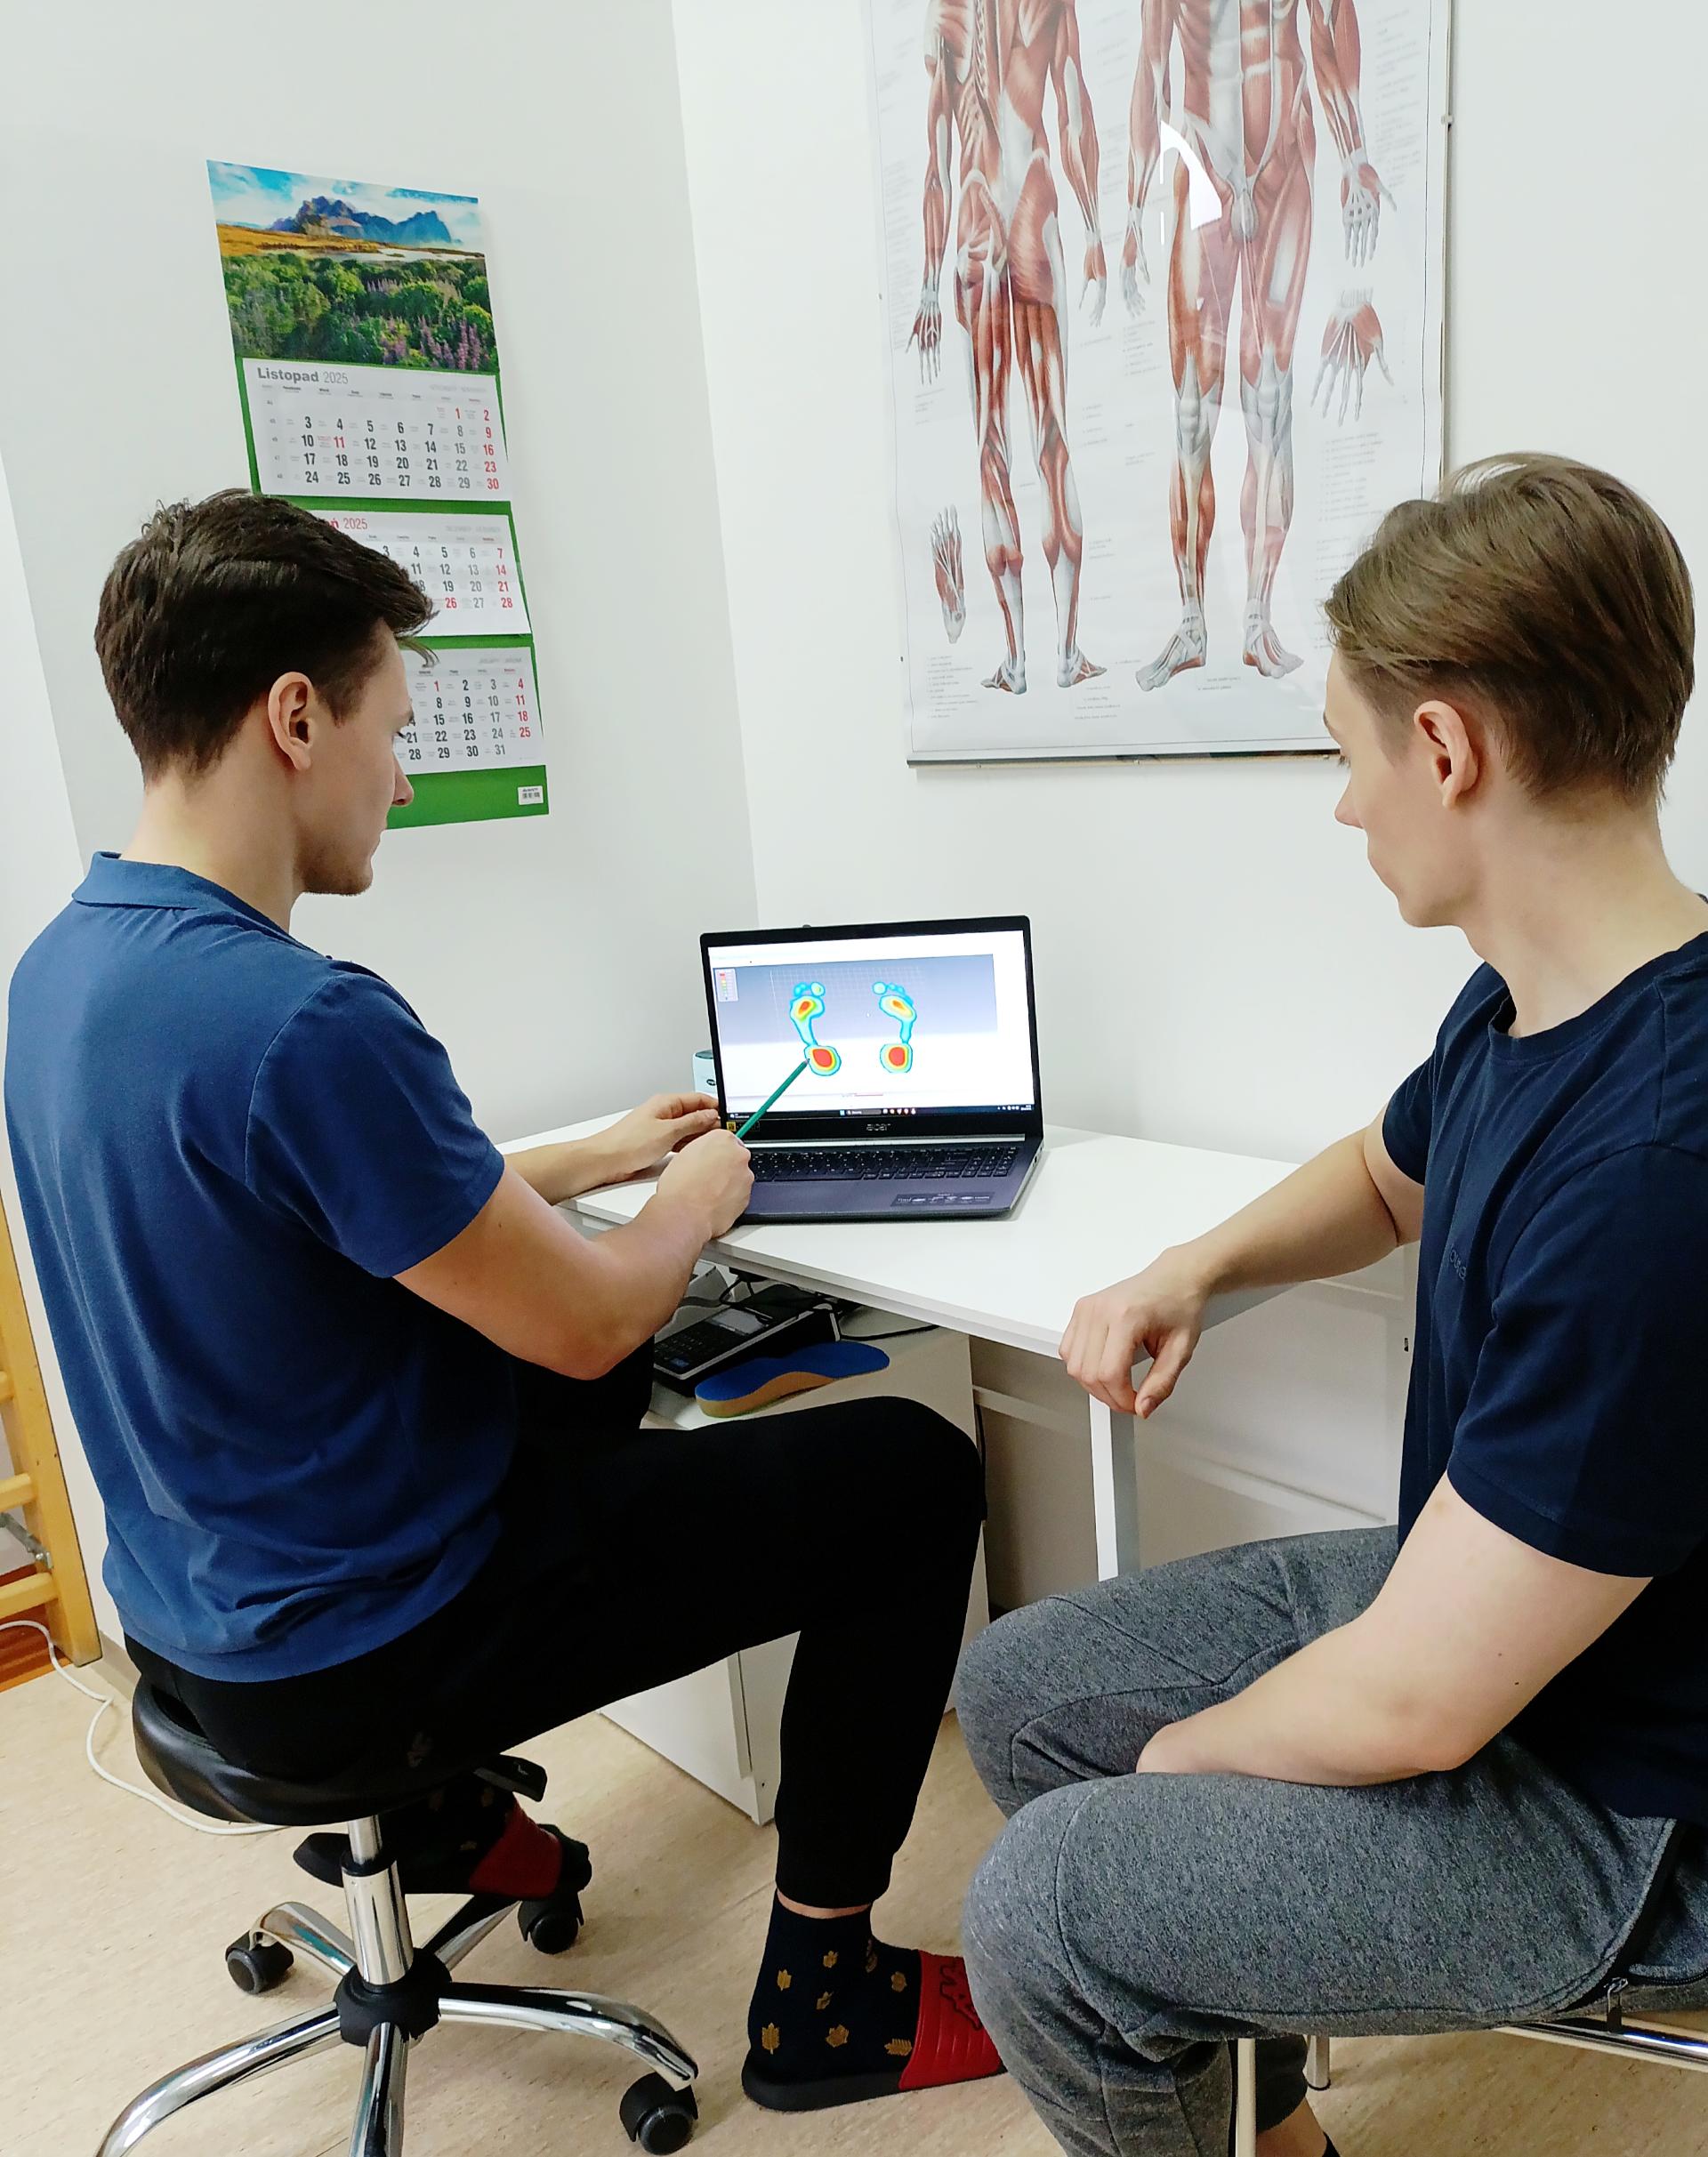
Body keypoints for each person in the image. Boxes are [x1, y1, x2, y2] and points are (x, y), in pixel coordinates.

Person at [4, 490, 1001, 2114]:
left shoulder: (64, 971)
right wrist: (693, 1197)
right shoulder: (303, 1020)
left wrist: (587, 1156)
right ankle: (829, 1993)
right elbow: (600, 1314)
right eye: (394, 730)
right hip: (370, 1642)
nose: (400, 777)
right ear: (295, 716)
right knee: (907, 1473)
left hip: (193, 1622)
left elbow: (297, 1202)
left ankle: (454, 1817)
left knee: (569, 1395)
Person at [955, 454, 1708, 2157]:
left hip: (1615, 1794)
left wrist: (1192, 1763)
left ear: (1445, 749)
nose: (1345, 806)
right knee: (1023, 1687)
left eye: (1345, 754)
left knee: (1045, 1909)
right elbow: (1387, 1173)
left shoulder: (1657, 1169)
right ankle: (1267, 2114)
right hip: (1499, 1607)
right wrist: (1192, 1269)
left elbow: (1420, 1705)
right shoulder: (1531, 998)